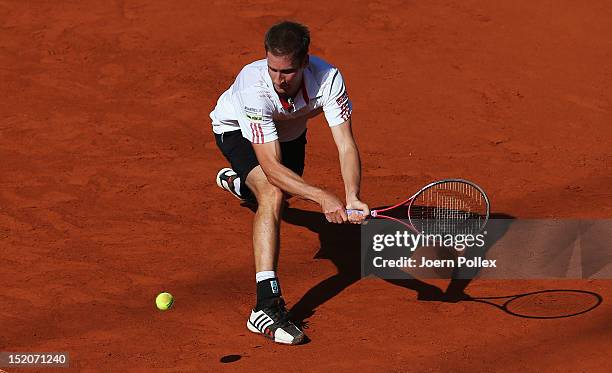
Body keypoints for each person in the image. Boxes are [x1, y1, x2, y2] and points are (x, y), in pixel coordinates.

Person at [210, 21, 369, 345]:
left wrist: (351, 195)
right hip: (237, 131)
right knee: (272, 191)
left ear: (305, 63)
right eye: (273, 69)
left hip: (291, 133)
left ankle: (241, 184)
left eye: (288, 72)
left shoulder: (329, 79)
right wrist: (322, 195)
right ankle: (265, 308)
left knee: (279, 195)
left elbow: (346, 145)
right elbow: (269, 166)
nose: (279, 79)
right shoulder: (253, 87)